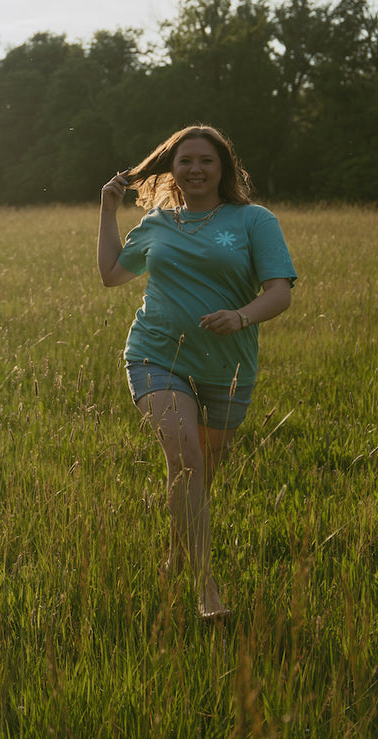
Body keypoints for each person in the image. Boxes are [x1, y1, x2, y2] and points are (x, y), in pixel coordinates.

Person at [97, 124, 295, 621]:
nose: (196, 169)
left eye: (207, 160)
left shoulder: (254, 221)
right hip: (155, 355)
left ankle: (174, 557)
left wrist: (242, 315)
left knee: (196, 477)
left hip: (229, 368)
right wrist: (107, 213)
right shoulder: (158, 223)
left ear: (223, 167)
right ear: (173, 169)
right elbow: (112, 274)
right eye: (186, 160)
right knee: (185, 455)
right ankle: (205, 585)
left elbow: (280, 292)